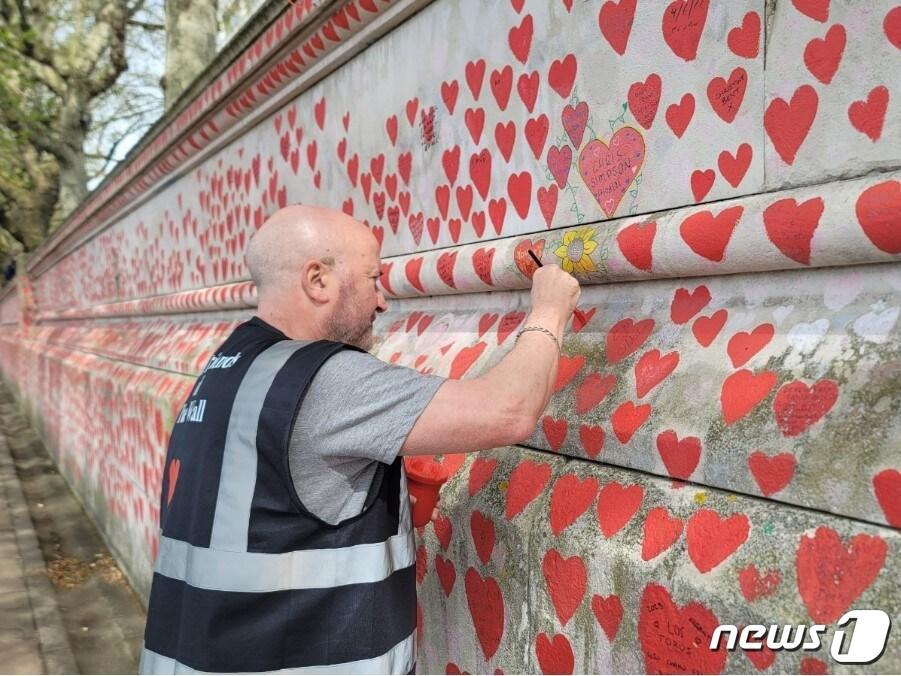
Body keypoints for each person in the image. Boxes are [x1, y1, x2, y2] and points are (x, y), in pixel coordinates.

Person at [139, 204, 580, 674]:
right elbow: (508, 410)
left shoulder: (230, 364)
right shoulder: (324, 377)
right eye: (373, 279)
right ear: (318, 280)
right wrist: (549, 311)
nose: (382, 301)